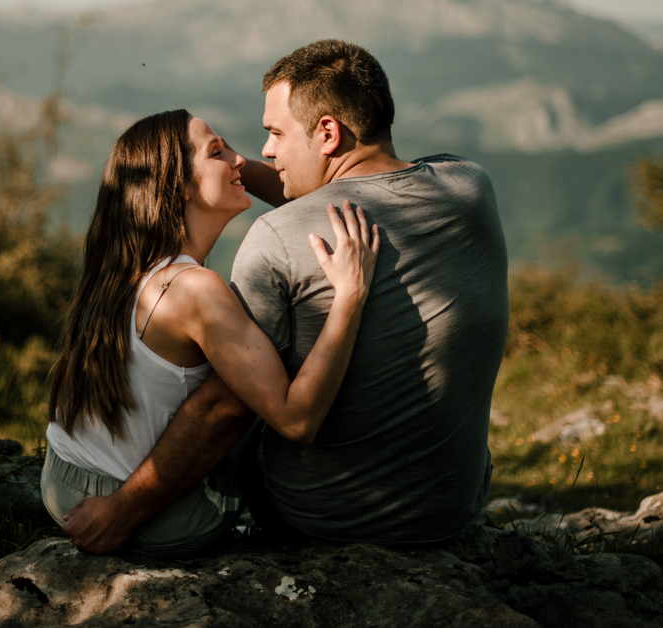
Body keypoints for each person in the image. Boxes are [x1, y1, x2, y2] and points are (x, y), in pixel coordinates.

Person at [61, 39, 509, 553]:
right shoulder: (470, 186)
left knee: (232, 385)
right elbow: (361, 186)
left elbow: (226, 409)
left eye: (274, 133)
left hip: (320, 516)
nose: (264, 153)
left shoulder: (275, 240)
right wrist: (220, 167)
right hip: (449, 509)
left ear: (327, 132)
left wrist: (122, 512)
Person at [40, 109, 379, 558]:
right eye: (218, 152)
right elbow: (297, 420)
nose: (242, 160)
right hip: (154, 521)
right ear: (176, 188)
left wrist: (224, 160)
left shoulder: (125, 262)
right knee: (256, 402)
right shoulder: (197, 291)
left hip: (62, 480)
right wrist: (350, 296)